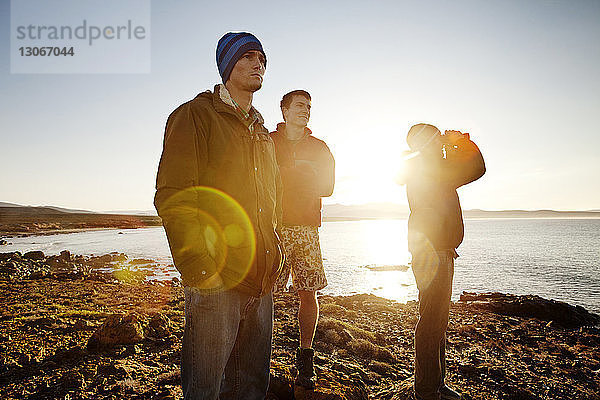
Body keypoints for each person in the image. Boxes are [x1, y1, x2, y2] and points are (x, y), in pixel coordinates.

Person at [154, 32, 284, 400]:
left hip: (261, 276)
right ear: (227, 65)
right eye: (247, 56)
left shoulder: (261, 131)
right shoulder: (194, 115)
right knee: (206, 387)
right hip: (216, 278)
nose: (257, 64)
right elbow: (173, 194)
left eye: (262, 58)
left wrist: (278, 251)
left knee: (251, 385)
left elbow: (273, 198)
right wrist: (198, 267)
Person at [403, 123, 485, 400]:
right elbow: (476, 168)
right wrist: (457, 143)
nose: (439, 138)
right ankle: (426, 389)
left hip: (439, 249)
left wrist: (453, 145)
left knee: (438, 320)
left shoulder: (430, 166)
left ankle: (435, 383)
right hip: (432, 250)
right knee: (431, 321)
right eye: (434, 135)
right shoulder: (428, 168)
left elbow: (469, 168)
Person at [270, 89, 335, 390]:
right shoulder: (267, 142)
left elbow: (328, 187)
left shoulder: (320, 147)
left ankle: (305, 356)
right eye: (299, 105)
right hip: (272, 227)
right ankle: (257, 352)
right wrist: (298, 172)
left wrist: (295, 175)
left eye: (309, 106)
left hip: (307, 228)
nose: (305, 110)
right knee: (263, 294)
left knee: (308, 293)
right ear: (284, 110)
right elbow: (260, 179)